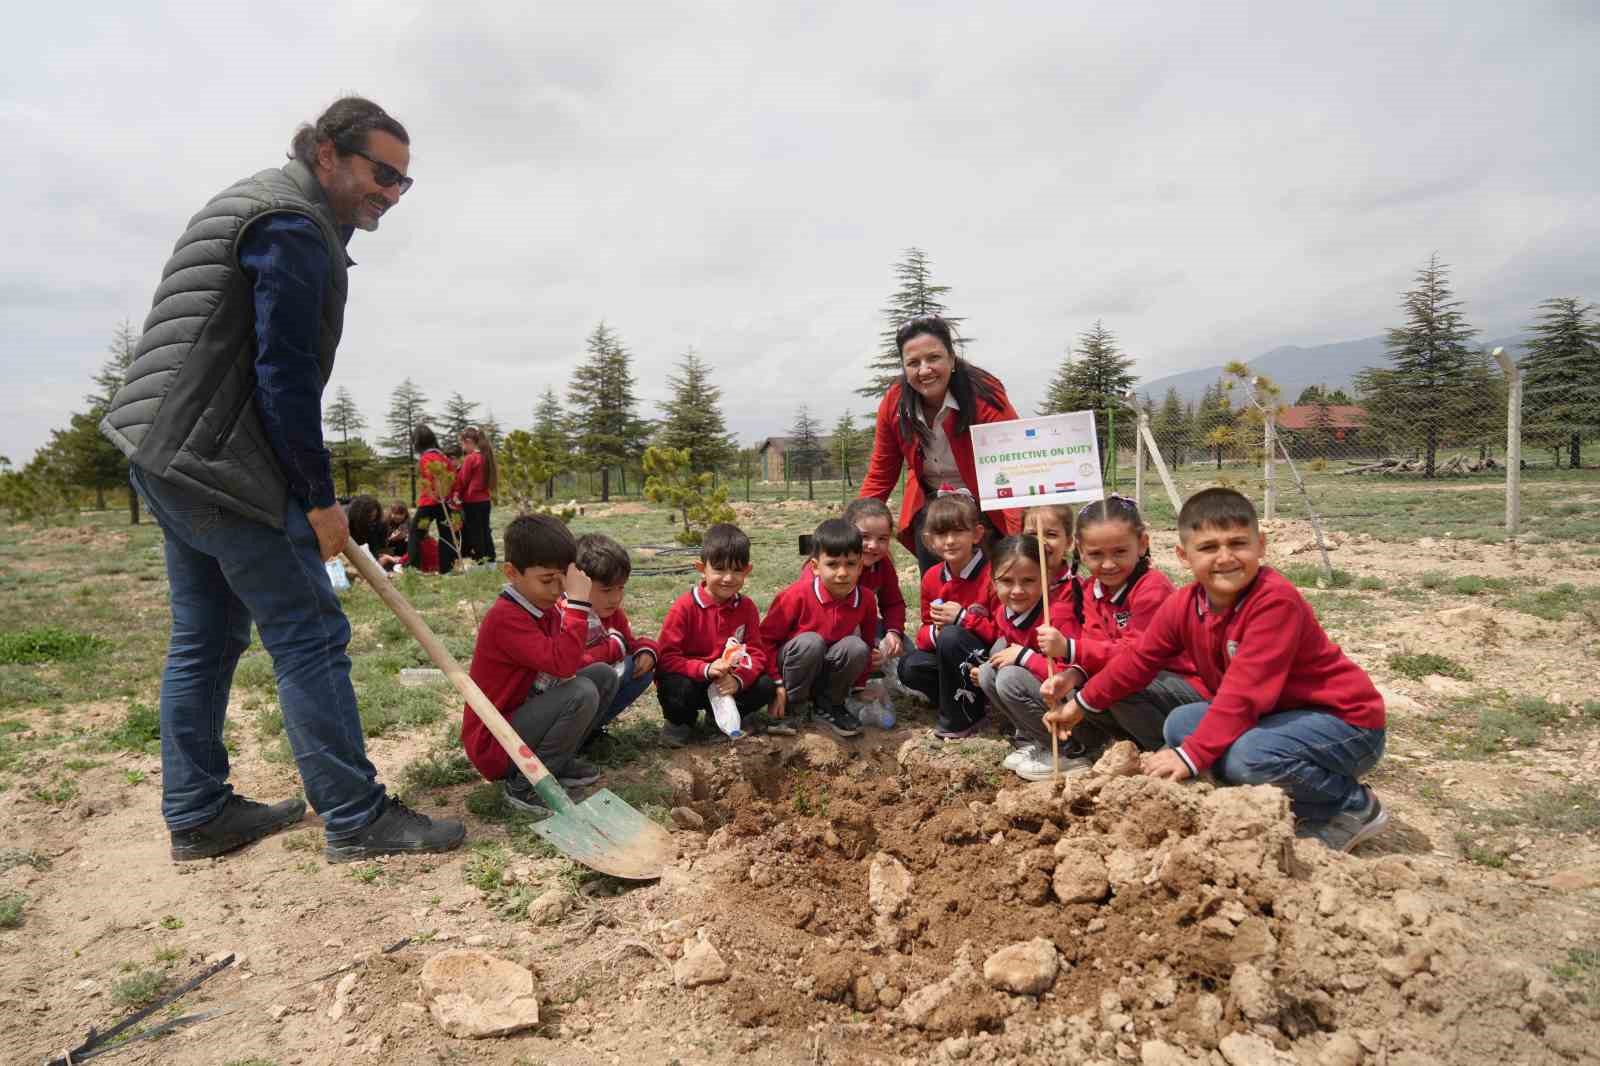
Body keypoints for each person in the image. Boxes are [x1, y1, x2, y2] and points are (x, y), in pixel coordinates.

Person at [100, 96, 464, 862]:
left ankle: (198, 812)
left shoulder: (259, 201)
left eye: (404, 182)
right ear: (327, 153)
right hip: (217, 461)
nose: (393, 194)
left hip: (162, 449)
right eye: (382, 174)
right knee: (310, 632)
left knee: (206, 634)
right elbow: (284, 375)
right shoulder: (294, 226)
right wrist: (320, 499)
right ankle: (356, 817)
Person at [1043, 488, 1389, 853]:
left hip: (1346, 723)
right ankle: (1257, 788)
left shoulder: (1273, 601)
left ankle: (1352, 805)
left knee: (1248, 758)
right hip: (1280, 714)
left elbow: (1244, 697)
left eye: (1238, 543)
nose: (1225, 558)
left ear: (1261, 545)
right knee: (1181, 724)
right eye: (1208, 547)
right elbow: (1138, 661)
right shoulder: (1185, 604)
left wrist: (1190, 756)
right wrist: (1079, 704)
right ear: (1184, 555)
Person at [1034, 496, 1205, 761]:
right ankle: (1130, 746)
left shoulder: (1152, 588)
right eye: (1096, 554)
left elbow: (1135, 658)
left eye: (1120, 552)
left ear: (1142, 544)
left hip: (1183, 685)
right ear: (1080, 550)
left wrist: (1070, 648)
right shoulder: (1091, 590)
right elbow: (1096, 645)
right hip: (1145, 684)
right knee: (1082, 689)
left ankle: (1167, 750)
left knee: (1118, 685)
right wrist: (1073, 675)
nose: (1108, 564)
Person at [462, 515, 613, 813]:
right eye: (547, 580)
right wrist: (578, 605)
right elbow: (563, 665)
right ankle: (526, 785)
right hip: (496, 742)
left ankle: (555, 763)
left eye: (564, 577)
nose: (558, 589)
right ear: (511, 573)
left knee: (602, 677)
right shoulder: (506, 617)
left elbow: (570, 659)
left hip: (524, 720)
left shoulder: (542, 607)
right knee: (581, 692)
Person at [858, 315, 1023, 571]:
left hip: (986, 504)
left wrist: (1018, 541)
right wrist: (851, 530)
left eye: (934, 358)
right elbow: (881, 473)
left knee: (996, 581)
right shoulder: (894, 402)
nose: (924, 370)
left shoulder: (984, 396)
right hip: (931, 505)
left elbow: (1012, 467)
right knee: (937, 585)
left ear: (952, 358)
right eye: (913, 363)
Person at [655, 523, 777, 747]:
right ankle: (680, 723)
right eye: (719, 569)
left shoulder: (746, 607)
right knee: (673, 684)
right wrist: (705, 669)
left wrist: (738, 680)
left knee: (765, 685)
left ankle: (719, 718)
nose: (728, 578)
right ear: (702, 568)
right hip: (693, 680)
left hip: (726, 682)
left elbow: (756, 653)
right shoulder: (684, 607)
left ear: (747, 571)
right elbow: (667, 657)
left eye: (737, 570)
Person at [761, 518, 879, 738]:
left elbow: (869, 642)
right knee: (811, 642)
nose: (842, 573)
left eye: (850, 564)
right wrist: (776, 685)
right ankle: (795, 707)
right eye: (832, 564)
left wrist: (860, 685)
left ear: (860, 566)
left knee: (856, 646)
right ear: (815, 567)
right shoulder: (795, 596)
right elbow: (764, 641)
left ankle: (830, 705)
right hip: (793, 669)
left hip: (827, 669)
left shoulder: (866, 600)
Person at [896, 492, 996, 740]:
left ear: (977, 534)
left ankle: (960, 718)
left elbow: (1002, 632)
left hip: (986, 658)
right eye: (941, 534)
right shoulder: (932, 577)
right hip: (948, 655)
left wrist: (963, 619)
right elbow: (923, 632)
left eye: (958, 532)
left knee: (952, 637)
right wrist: (935, 632)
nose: (950, 541)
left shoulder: (993, 574)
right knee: (910, 667)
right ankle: (960, 700)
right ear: (929, 541)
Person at [801, 497, 907, 724]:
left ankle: (866, 683)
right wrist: (865, 653)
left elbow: (893, 603)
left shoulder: (882, 565)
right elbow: (816, 620)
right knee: (856, 650)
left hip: (861, 626)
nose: (873, 545)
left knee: (903, 649)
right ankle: (832, 691)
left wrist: (893, 632)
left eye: (882, 539)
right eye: (864, 537)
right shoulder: (822, 569)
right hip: (824, 636)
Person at [971, 535, 1059, 781]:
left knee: (1009, 677)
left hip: (1068, 704)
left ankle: (1068, 750)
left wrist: (1024, 656)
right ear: (993, 581)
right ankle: (1035, 739)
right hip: (1038, 689)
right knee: (989, 671)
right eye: (1007, 581)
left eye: (1028, 580)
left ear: (1046, 579)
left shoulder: (1055, 615)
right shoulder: (1004, 613)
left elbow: (1069, 672)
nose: (1018, 590)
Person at [563, 533, 658, 753]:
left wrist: (647, 650)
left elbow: (629, 643)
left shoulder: (612, 613)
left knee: (640, 669)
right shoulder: (564, 614)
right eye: (606, 590)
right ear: (579, 584)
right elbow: (569, 664)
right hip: (569, 695)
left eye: (620, 588)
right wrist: (613, 647)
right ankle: (567, 738)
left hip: (596, 689)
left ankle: (589, 731)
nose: (615, 598)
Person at [409, 424, 459, 574]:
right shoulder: (443, 457)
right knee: (446, 536)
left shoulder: (426, 458)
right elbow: (452, 479)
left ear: (418, 443)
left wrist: (435, 495)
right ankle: (447, 570)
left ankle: (414, 569)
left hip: (429, 502)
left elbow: (430, 480)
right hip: (445, 502)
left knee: (415, 534)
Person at [455, 426, 497, 563]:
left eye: (462, 444)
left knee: (476, 534)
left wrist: (456, 495)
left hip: (472, 502)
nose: (462, 447)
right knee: (486, 532)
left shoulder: (471, 458)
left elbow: (462, 481)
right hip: (485, 501)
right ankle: (491, 561)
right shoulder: (486, 457)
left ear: (468, 441)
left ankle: (480, 563)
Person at [1022, 503, 1076, 606]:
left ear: (1069, 543)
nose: (1040, 541)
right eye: (1032, 534)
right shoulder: (1012, 585)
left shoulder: (1078, 590)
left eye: (1051, 534)